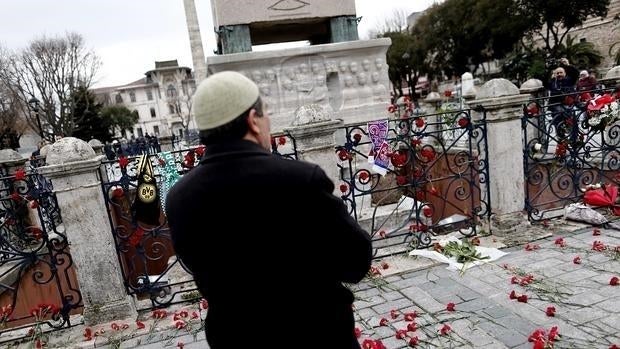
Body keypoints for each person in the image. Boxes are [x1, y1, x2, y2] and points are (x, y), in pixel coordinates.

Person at [165, 71, 372, 349]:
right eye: (266, 115)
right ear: (253, 120)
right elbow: (355, 262)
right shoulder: (300, 180)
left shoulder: (179, 198)